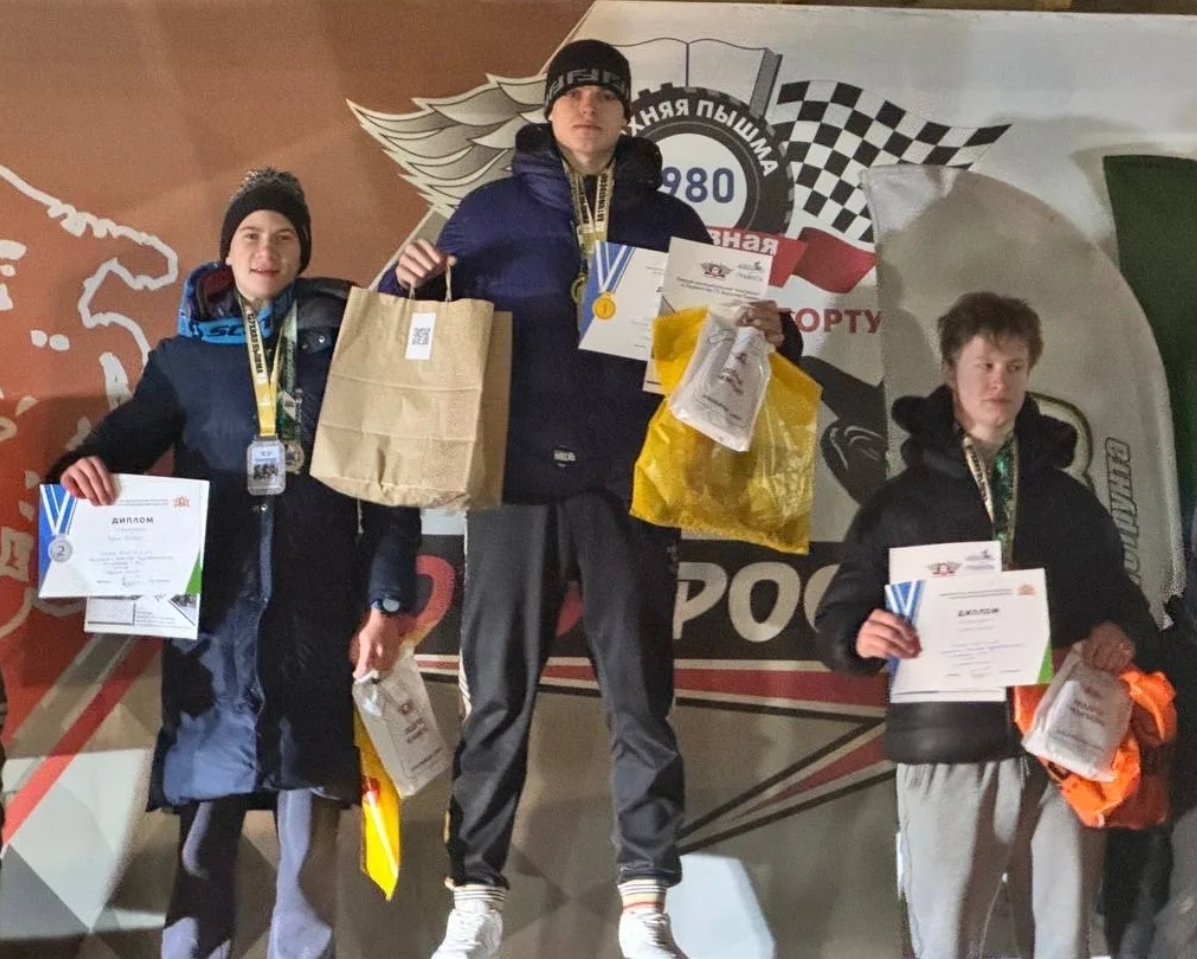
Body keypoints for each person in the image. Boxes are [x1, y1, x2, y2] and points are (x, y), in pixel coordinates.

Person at [380, 38, 801, 959]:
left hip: (631, 483)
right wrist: (403, 285)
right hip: (513, 482)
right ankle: (474, 898)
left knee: (640, 699)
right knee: (496, 697)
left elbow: (725, 336)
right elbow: (412, 333)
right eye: (572, 94)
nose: (587, 108)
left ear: (625, 113)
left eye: (606, 96)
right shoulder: (487, 211)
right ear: (549, 110)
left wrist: (779, 329)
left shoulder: (671, 218)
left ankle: (645, 904)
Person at [48, 169, 422, 959]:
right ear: (226, 251)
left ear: (302, 253)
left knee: (309, 833)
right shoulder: (184, 360)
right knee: (204, 831)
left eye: (284, 237)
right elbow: (117, 446)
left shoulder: (345, 354)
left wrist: (385, 603)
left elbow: (388, 491)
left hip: (318, 621)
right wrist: (80, 469)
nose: (266, 250)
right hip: (213, 628)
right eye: (251, 235)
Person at [814, 292, 1158, 959]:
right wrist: (858, 635)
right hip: (947, 746)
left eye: (1015, 366)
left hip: (1062, 749)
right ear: (950, 370)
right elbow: (839, 614)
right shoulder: (899, 504)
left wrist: (1120, 630)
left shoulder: (1067, 500)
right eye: (985, 364)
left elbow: (1123, 602)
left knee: (1063, 942)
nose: (1000, 381)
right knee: (943, 942)